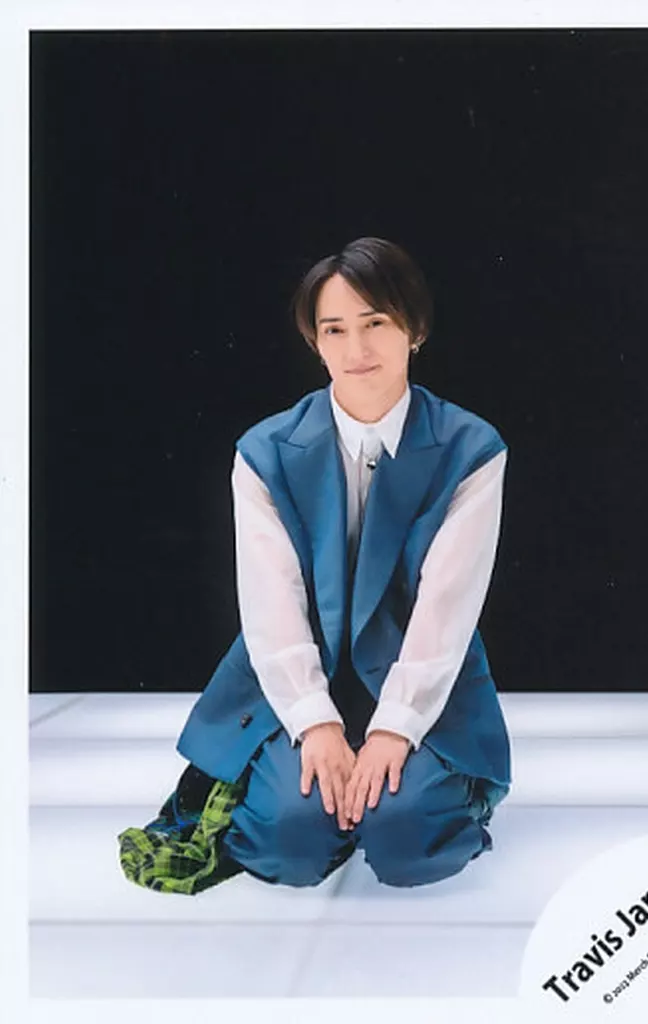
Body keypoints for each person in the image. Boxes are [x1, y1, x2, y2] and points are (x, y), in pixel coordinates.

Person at [118, 236, 511, 893]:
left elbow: (447, 609)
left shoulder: (471, 448)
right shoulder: (266, 451)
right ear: (315, 342)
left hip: (417, 679)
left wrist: (394, 730)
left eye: (375, 323)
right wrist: (316, 723)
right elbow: (270, 605)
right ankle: (320, 797)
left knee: (406, 840)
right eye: (334, 329)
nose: (356, 349)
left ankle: (402, 798)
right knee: (290, 843)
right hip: (298, 679)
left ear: (414, 329)